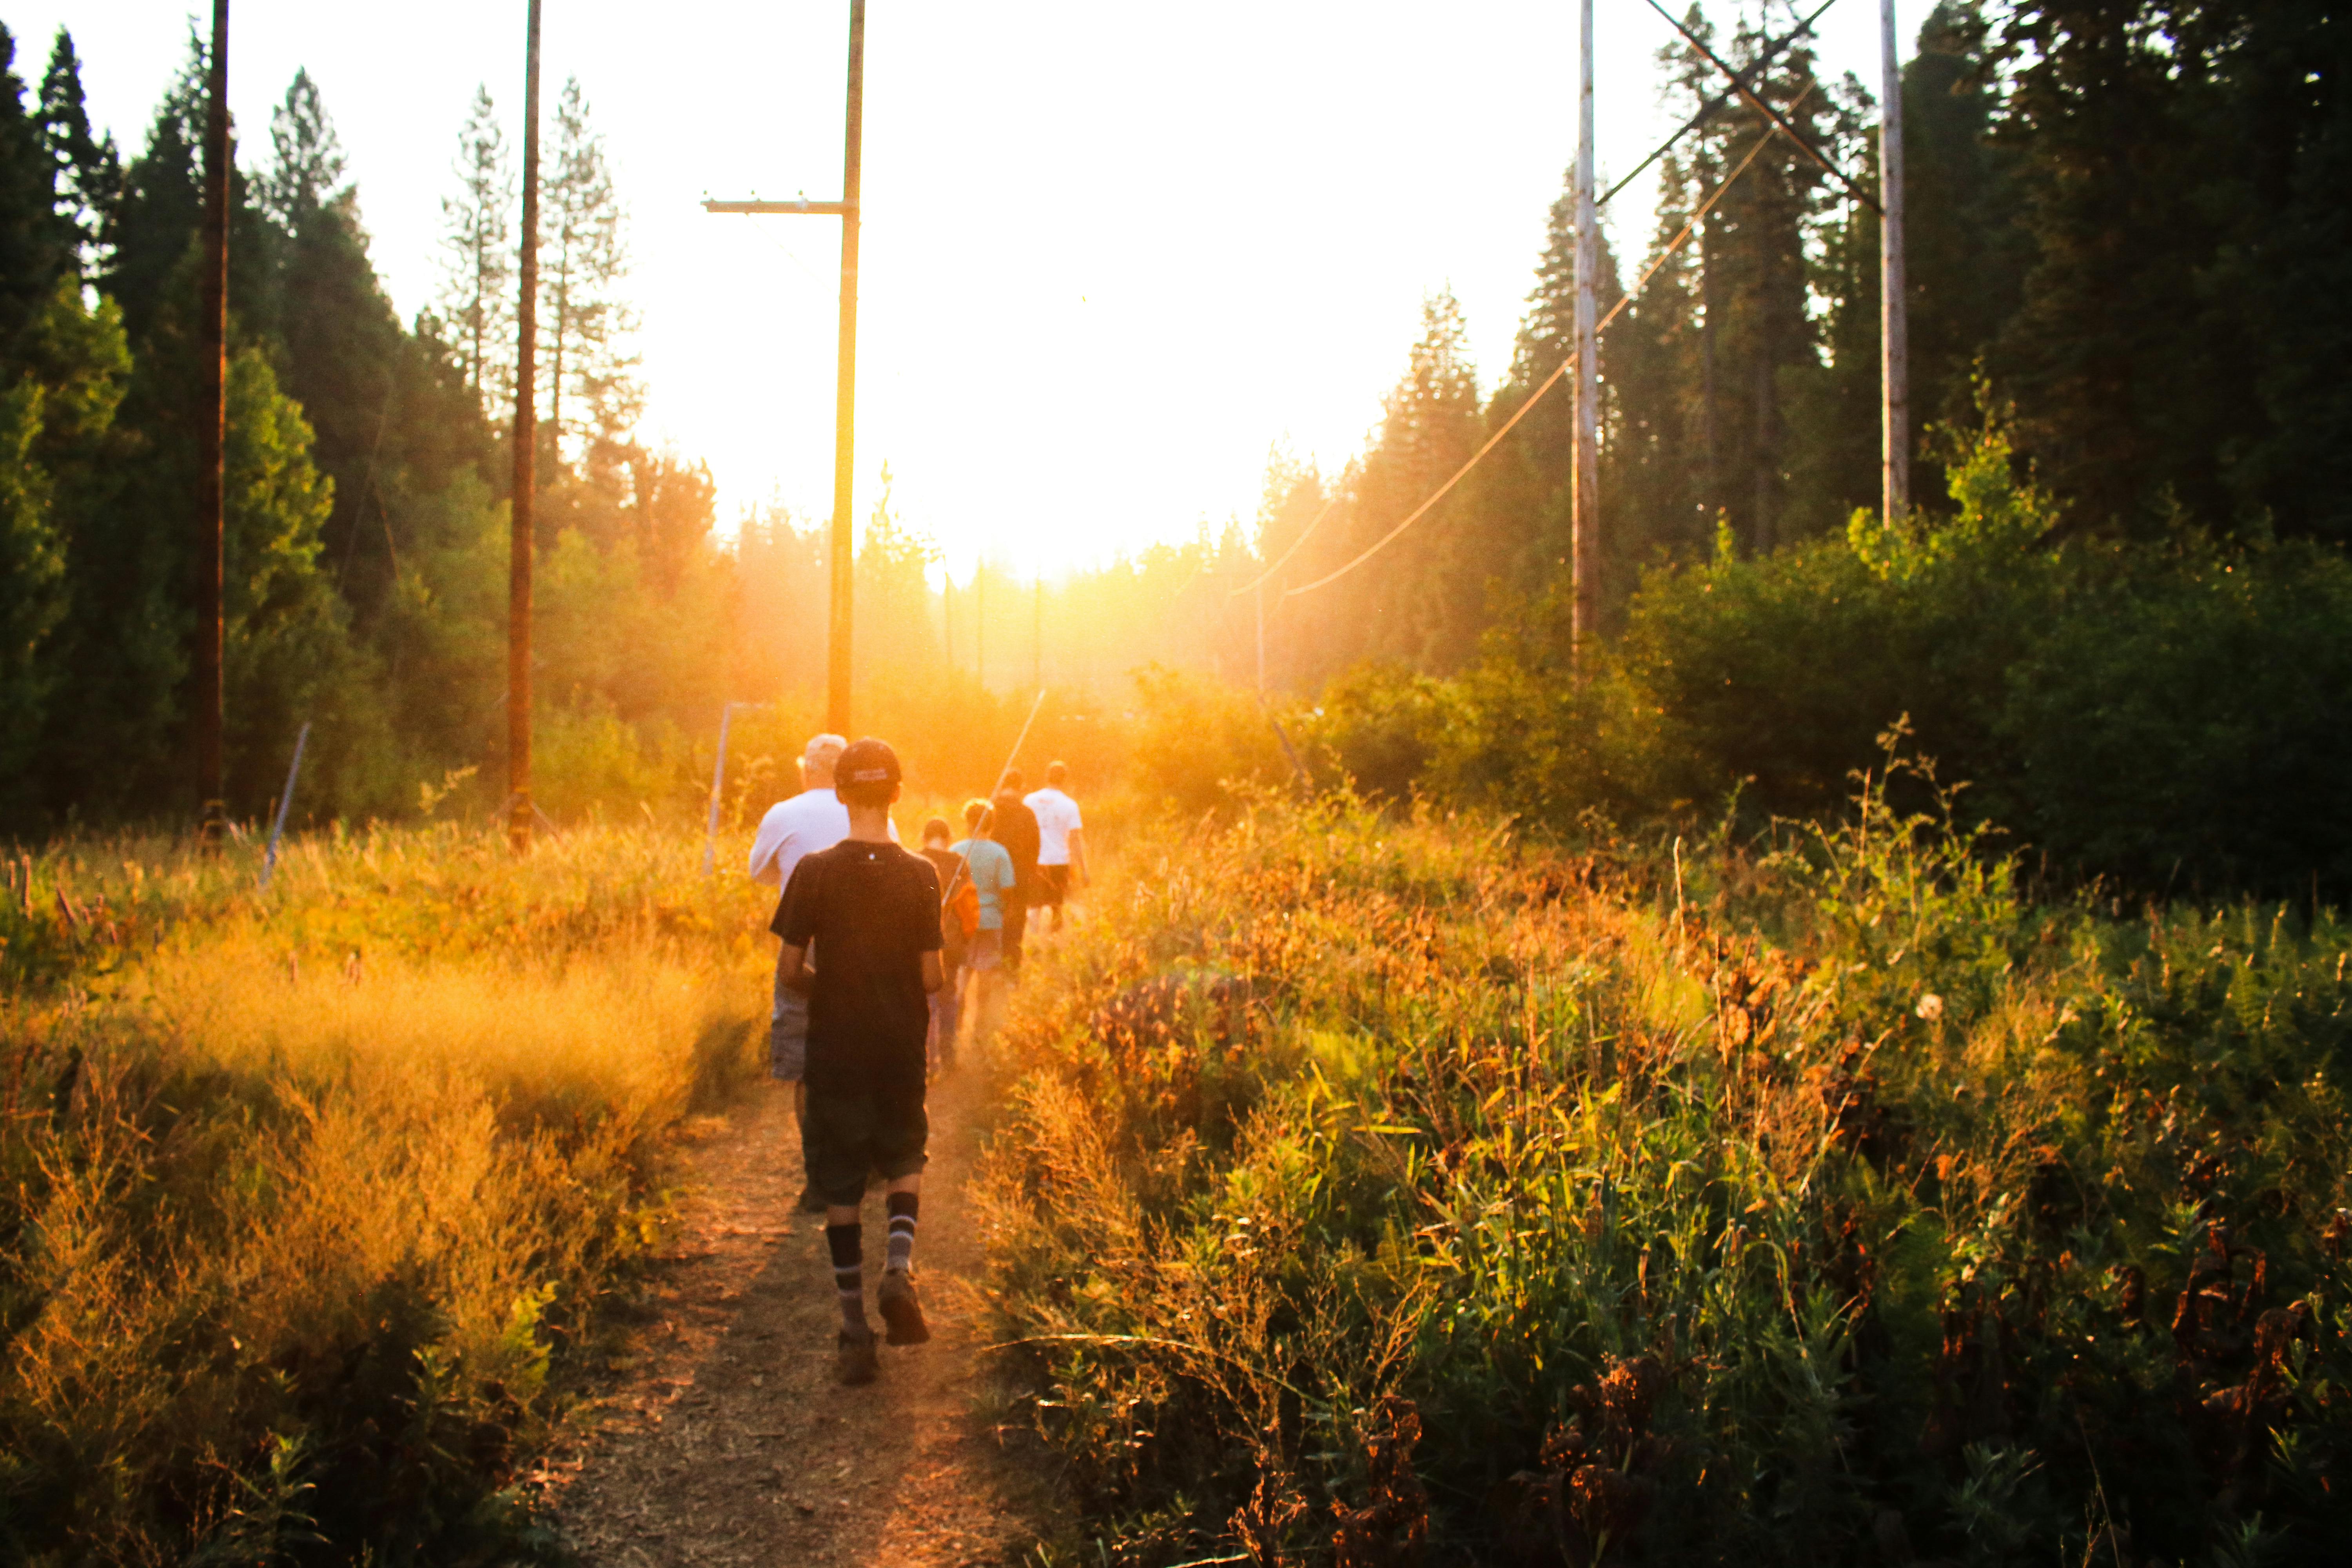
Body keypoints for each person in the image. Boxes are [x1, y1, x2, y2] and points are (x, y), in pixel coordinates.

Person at [771, 737, 943, 1385]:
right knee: (905, 1156)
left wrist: (833, 989)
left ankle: (853, 1332)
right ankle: (898, 1270)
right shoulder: (922, 874)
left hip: (836, 1047)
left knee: (841, 1182)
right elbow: (933, 979)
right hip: (898, 1043)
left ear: (841, 793)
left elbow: (790, 971)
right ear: (896, 794)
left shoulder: (813, 872)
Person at [749, 733, 853, 1214]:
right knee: (853, 1056)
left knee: (806, 1064)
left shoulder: (783, 812)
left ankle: (817, 1176)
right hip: (859, 943)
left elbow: (760, 872)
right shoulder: (870, 814)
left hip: (802, 941)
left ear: (806, 770)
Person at [950, 798, 1016, 1042]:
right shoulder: (1000, 853)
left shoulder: (956, 851)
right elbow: (1007, 889)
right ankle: (980, 1028)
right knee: (986, 974)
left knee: (962, 973)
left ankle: (956, 1023)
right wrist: (1004, 911)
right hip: (991, 920)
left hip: (963, 921)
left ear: (968, 823)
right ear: (992, 824)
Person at [916, 817, 972, 1075]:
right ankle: (949, 1058)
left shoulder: (913, 861)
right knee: (948, 997)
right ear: (948, 839)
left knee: (923, 1002)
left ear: (924, 838)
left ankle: (927, 1061)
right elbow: (969, 907)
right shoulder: (960, 863)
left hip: (919, 944)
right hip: (951, 942)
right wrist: (966, 938)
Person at [1025, 760, 1088, 933]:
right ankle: (1053, 940)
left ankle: (1034, 940)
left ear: (1047, 777)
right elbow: (1075, 840)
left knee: (1034, 907)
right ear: (1065, 780)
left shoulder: (1030, 800)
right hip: (1059, 861)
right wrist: (1084, 870)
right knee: (1057, 907)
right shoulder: (1070, 805)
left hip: (1035, 861)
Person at [990, 769, 1041, 976]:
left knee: (991, 922)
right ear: (1021, 788)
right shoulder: (1027, 814)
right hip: (1019, 878)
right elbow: (1035, 848)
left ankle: (989, 971)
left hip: (991, 877)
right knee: (1015, 925)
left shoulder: (989, 810)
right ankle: (1011, 974)